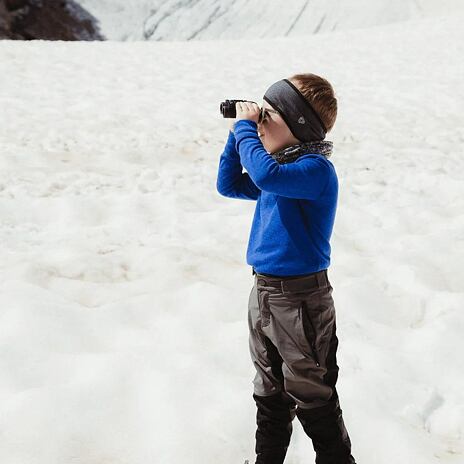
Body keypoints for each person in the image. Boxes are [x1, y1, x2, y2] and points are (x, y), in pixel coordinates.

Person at [216, 73, 356, 464]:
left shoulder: (313, 171)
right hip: (263, 293)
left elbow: (264, 175)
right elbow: (228, 184)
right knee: (269, 390)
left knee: (313, 394)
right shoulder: (280, 168)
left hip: (300, 300)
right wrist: (237, 134)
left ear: (298, 126)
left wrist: (246, 130)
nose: (260, 121)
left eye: (268, 114)